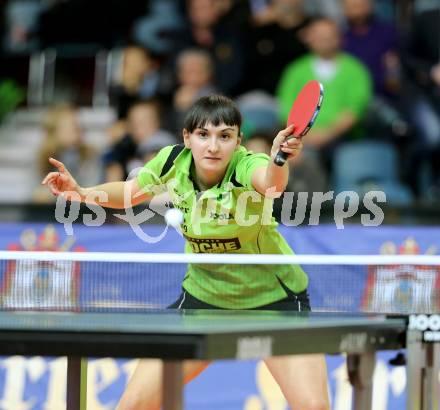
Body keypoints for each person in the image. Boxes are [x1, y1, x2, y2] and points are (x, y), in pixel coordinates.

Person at [42, 95, 330, 410]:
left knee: (313, 407)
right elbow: (129, 193)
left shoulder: (248, 164)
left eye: (225, 136)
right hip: (203, 301)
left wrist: (277, 159)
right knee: (132, 405)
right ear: (187, 137)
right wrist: (83, 193)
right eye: (203, 135)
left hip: (275, 302)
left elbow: (272, 185)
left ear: (238, 141)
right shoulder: (172, 161)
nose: (213, 146)